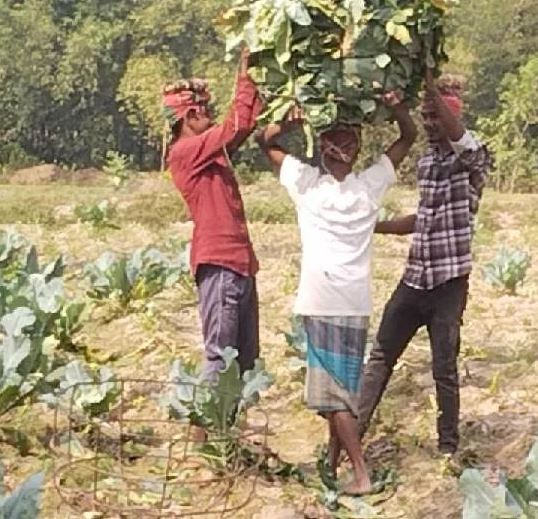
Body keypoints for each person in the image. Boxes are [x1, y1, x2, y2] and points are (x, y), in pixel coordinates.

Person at [257, 92, 416, 495]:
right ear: (356, 149)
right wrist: (396, 106)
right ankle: (331, 463)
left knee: (333, 398)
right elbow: (408, 135)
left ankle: (360, 472)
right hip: (355, 303)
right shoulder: (369, 186)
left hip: (321, 300)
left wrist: (290, 123)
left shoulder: (307, 185)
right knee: (341, 388)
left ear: (322, 149)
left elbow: (265, 142)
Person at [357, 68, 493, 456]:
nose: (432, 124)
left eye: (438, 116)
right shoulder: (427, 161)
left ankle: (448, 449)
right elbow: (423, 219)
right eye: (427, 117)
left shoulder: (473, 159)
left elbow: (462, 140)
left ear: (453, 115)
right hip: (415, 278)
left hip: (449, 284)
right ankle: (351, 436)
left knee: (444, 368)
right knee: (380, 357)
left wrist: (430, 86)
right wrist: (372, 227)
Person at [163, 48, 262, 380]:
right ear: (189, 116)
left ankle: (226, 427)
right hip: (219, 264)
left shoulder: (209, 152)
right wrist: (245, 70)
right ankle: (204, 429)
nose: (211, 115)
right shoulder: (186, 152)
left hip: (240, 263)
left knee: (246, 361)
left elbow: (243, 126)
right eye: (204, 110)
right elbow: (236, 124)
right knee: (220, 356)